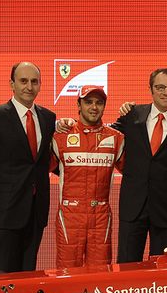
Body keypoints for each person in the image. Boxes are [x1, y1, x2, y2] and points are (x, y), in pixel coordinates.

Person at [0, 61, 57, 272]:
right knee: (3, 274)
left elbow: (47, 161)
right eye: (23, 81)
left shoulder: (48, 118)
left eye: (34, 82)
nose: (29, 87)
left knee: (28, 273)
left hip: (36, 212)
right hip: (5, 212)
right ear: (12, 84)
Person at [114, 68, 167, 263]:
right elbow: (102, 133)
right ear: (151, 89)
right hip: (132, 207)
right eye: (160, 87)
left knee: (162, 270)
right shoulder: (132, 115)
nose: (165, 92)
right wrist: (67, 124)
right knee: (126, 267)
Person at [50, 85, 124, 269]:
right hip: (70, 215)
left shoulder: (116, 138)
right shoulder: (61, 136)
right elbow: (37, 169)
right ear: (79, 105)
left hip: (100, 216)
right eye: (88, 102)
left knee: (100, 273)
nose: (94, 107)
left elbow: (134, 174)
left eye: (99, 103)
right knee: (67, 272)